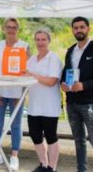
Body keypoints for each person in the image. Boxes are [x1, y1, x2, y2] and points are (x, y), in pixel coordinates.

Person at [60, 16, 93, 172]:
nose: (79, 30)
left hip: (89, 104)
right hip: (72, 103)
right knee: (78, 141)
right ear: (72, 30)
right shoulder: (70, 51)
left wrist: (84, 85)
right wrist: (63, 83)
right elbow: (66, 72)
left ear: (88, 29)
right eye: (75, 28)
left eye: (82, 27)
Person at [0, 18, 30, 171]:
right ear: (3, 29)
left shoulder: (24, 46)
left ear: (18, 29)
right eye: (8, 27)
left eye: (14, 27)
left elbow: (27, 72)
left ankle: (14, 156)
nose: (11, 30)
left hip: (17, 93)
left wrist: (23, 93)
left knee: (16, 125)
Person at [26, 30, 63, 172]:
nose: (40, 42)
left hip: (49, 106)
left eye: (43, 39)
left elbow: (52, 81)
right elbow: (25, 77)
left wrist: (33, 75)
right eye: (37, 39)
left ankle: (52, 168)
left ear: (49, 41)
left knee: (51, 136)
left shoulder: (54, 59)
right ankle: (43, 164)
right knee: (35, 135)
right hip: (34, 105)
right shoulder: (32, 59)